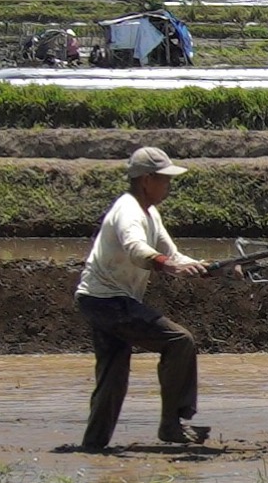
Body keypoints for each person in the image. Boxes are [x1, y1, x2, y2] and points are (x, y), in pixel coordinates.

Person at [75, 142, 212, 450]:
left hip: (100, 299)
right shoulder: (128, 211)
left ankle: (93, 447)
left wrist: (211, 269)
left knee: (113, 373)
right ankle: (171, 424)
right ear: (146, 179)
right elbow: (139, 251)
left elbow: (172, 254)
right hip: (108, 301)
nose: (168, 185)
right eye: (164, 179)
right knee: (179, 341)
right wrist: (171, 267)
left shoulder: (150, 214)